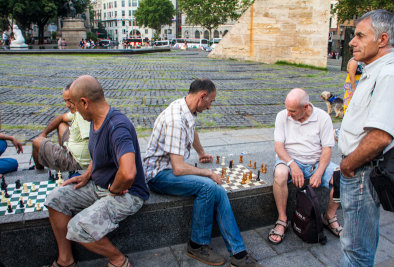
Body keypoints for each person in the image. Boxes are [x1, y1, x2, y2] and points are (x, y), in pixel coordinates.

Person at [143, 78, 261, 267]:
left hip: (168, 169)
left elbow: (192, 131)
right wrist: (208, 174)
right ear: (202, 96)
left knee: (219, 190)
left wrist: (201, 152)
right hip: (158, 175)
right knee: (207, 187)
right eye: (211, 101)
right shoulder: (175, 119)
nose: (210, 106)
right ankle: (197, 245)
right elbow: (179, 168)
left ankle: (238, 253)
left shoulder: (186, 107)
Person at [44, 75, 149, 267]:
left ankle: (118, 260)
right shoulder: (95, 118)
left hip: (129, 194)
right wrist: (87, 174)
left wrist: (114, 190)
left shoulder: (118, 126)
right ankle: (65, 260)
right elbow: (100, 154)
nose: (72, 109)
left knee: (77, 228)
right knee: (54, 199)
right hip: (99, 185)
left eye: (74, 104)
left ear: (85, 102)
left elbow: (128, 173)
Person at [338, 10, 394, 266]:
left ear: (382, 39)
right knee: (355, 245)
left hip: (361, 172)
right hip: (358, 170)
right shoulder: (373, 71)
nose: (352, 41)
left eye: (360, 36)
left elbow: (380, 136)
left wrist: (347, 165)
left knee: (356, 251)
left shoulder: (389, 75)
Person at [268, 88, 341, 244]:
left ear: (306, 107)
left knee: (341, 177)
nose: (288, 114)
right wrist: (292, 165)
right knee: (280, 173)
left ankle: (328, 217)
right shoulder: (282, 115)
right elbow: (279, 147)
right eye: (287, 109)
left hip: (315, 162)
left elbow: (327, 149)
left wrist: (319, 172)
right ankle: (282, 219)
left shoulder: (323, 118)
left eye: (292, 111)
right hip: (289, 160)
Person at [32, 84, 91, 173]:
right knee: (61, 125)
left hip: (75, 162)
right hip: (72, 148)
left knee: (36, 142)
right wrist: (44, 133)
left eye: (69, 101)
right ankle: (61, 156)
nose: (67, 105)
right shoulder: (80, 109)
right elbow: (61, 118)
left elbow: (94, 144)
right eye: (65, 101)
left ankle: (39, 173)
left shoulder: (83, 117)